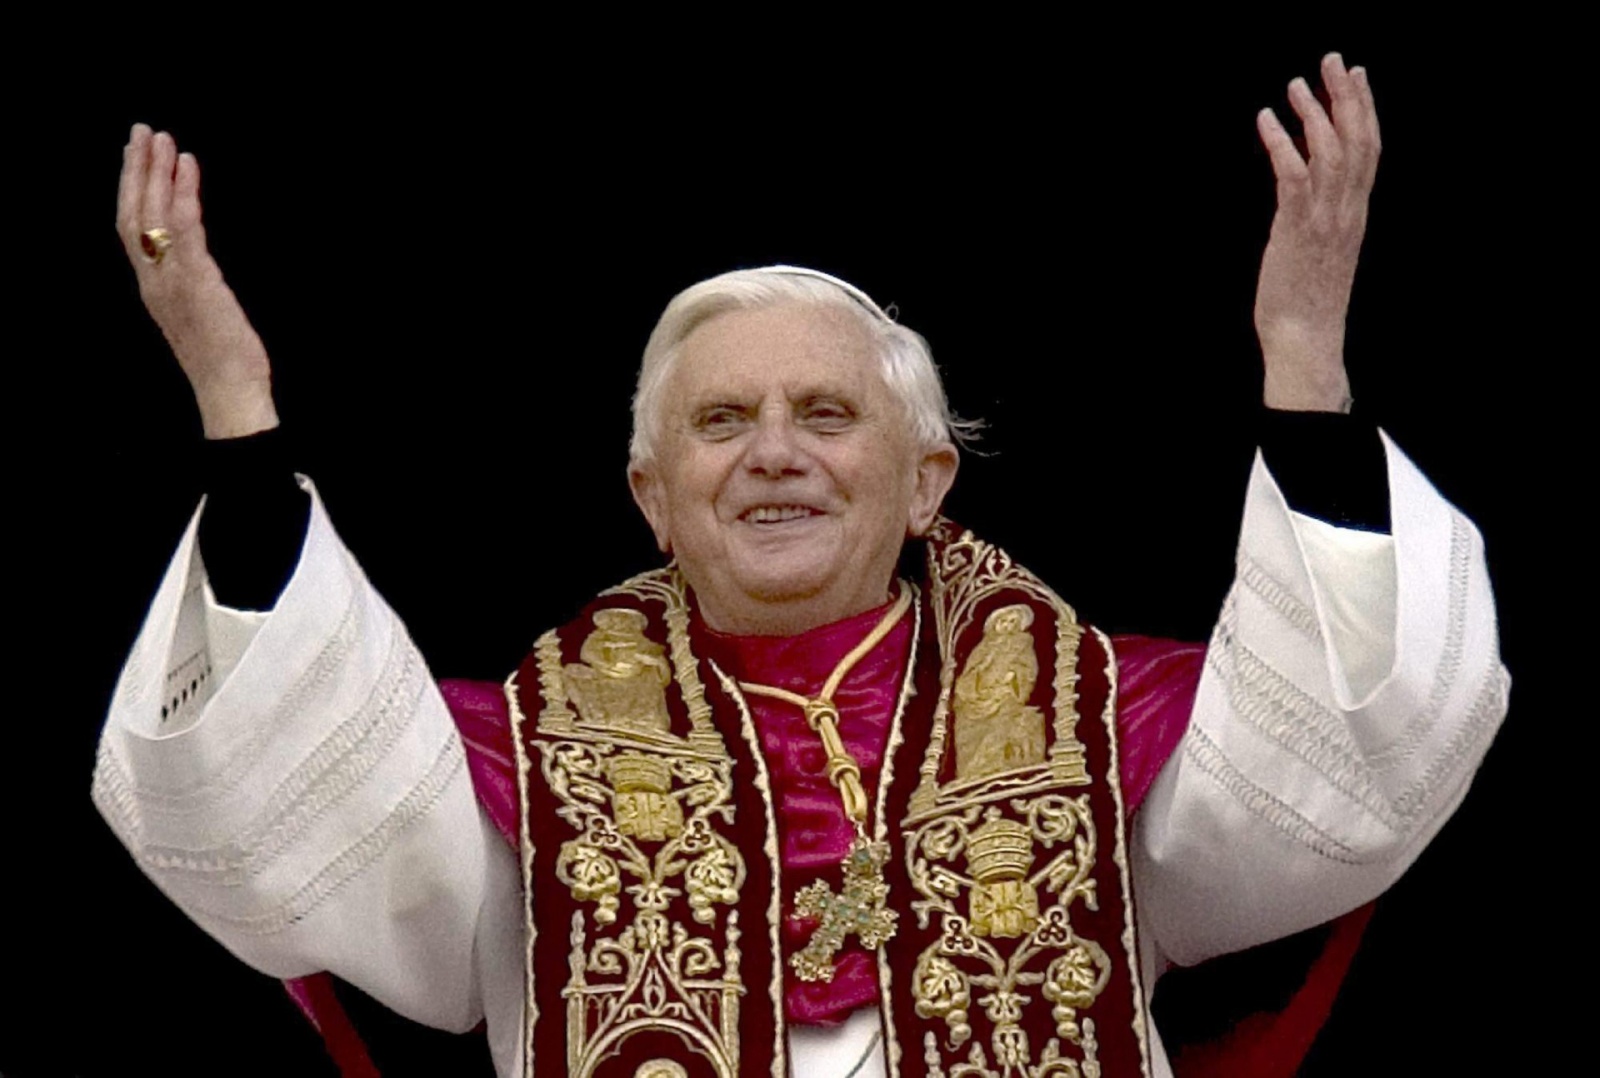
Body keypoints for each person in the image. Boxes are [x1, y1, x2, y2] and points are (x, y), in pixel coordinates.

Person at [93, 53, 1508, 1078]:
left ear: (925, 483)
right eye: (722, 423)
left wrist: (1305, 366)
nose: (775, 451)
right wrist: (237, 410)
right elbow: (293, 816)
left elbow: (1342, 766)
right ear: (654, 497)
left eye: (827, 415)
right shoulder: (527, 755)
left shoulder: (1089, 715)